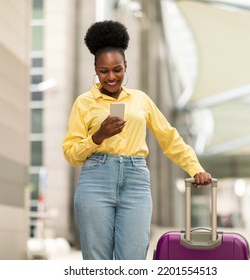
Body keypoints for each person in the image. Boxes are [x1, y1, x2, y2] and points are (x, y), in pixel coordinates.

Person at [62, 20, 212, 260]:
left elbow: (169, 137)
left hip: (136, 182)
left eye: (117, 69)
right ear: (95, 69)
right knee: (96, 262)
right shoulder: (84, 103)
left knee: (133, 260)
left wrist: (195, 168)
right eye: (104, 71)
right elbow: (71, 153)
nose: (111, 77)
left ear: (126, 66)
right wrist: (98, 136)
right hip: (95, 182)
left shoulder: (140, 99)